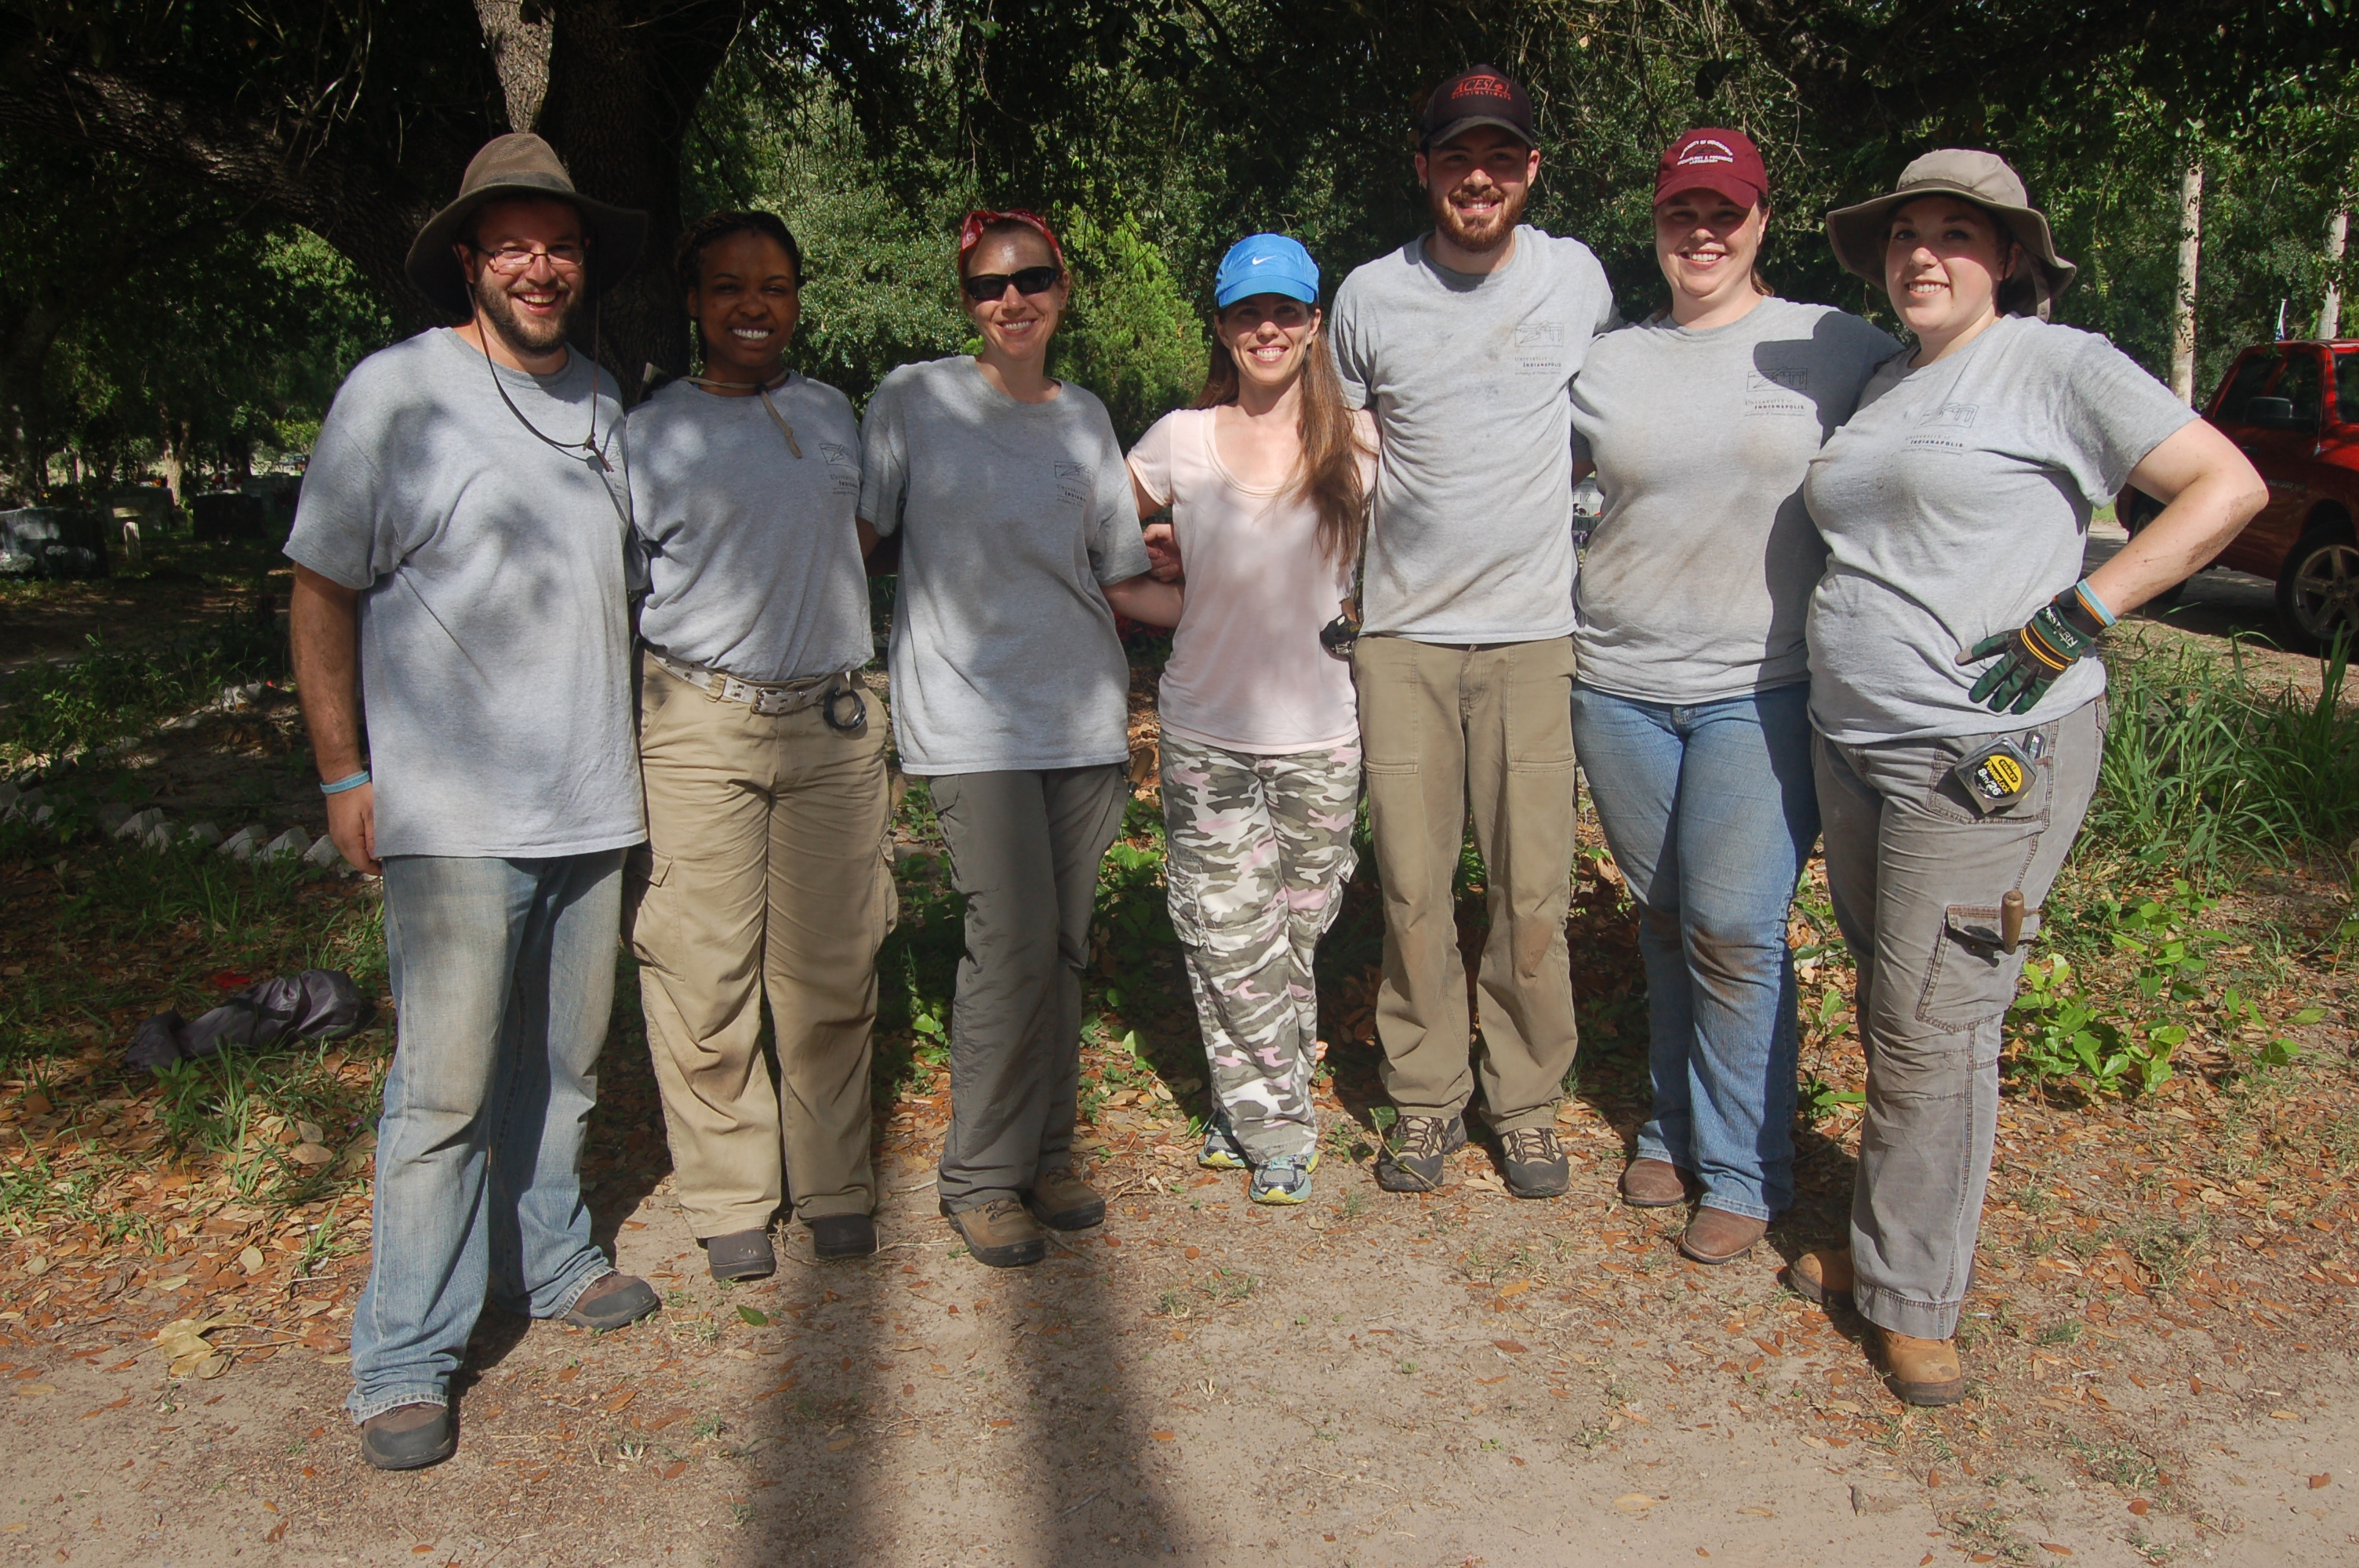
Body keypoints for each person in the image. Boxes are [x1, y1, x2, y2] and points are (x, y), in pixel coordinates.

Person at [1794, 151, 2265, 1404]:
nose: (1924, 255)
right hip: (1860, 745)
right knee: (1898, 1007)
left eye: (1958, 233)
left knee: (1935, 1021)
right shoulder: (1892, 381)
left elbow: (2229, 485)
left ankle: (1914, 1298)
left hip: (1982, 756)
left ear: (2009, 258)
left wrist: (2087, 607)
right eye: (1905, 235)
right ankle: (1890, 1246)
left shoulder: (2059, 366)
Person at [285, 134, 664, 1472]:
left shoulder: (609, 405)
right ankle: (404, 1354)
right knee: (441, 1091)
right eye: (509, 242)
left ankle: (548, 1262)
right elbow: (321, 588)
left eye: (556, 244)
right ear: (469, 259)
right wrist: (345, 775)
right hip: (451, 814)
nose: (538, 265)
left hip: (589, 808)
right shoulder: (396, 392)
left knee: (563, 1071)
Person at [1567, 130, 1899, 1265]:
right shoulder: (1605, 360)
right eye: (1681, 212)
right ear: (1656, 221)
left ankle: (1747, 1168)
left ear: (1763, 221)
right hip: (1614, 685)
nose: (1701, 232)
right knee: (1663, 919)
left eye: (1725, 212)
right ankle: (1673, 1124)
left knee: (1735, 929)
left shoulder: (1835, 345)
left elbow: (1934, 441)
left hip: (1760, 690)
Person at [856, 209, 1181, 1269]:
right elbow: (856, 535)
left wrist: (1251, 593)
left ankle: (1046, 1152)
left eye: (1033, 279)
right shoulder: (914, 400)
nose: (1014, 300)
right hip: (964, 721)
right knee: (1008, 943)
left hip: (1081, 717)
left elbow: (1121, 575)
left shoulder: (1085, 416)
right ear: (967, 301)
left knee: (1062, 948)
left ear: (1062, 289)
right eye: (992, 286)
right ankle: (980, 1177)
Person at [1326, 65, 1618, 1197]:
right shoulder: (1367, 298)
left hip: (1534, 635)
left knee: (1533, 885)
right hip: (1400, 634)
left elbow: (1605, 427)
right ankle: (1425, 1098)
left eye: (1500, 157)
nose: (1479, 178)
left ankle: (1528, 1100)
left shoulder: (1576, 280)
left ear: (1531, 169)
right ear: (1425, 169)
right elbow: (1345, 458)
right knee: (1408, 882)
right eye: (1458, 158)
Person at [623, 211, 893, 1279]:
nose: (752, 305)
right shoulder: (648, 434)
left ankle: (832, 1178)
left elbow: (862, 535)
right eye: (729, 286)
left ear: (796, 300)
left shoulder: (833, 414)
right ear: (694, 302)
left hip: (828, 721)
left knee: (833, 965)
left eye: (774, 286)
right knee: (703, 966)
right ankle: (733, 1192)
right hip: (698, 723)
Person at [1129, 234, 1375, 1206]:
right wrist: (1161, 580)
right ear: (1222, 328)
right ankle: (1279, 1127)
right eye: (1245, 313)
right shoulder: (1178, 439)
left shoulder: (1356, 441)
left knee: (1292, 932)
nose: (1264, 329)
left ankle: (1245, 1104)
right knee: (1226, 932)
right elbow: (1104, 543)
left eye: (1283, 312)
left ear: (1313, 326)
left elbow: (1390, 572)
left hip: (1321, 732)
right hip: (1207, 730)